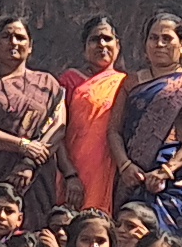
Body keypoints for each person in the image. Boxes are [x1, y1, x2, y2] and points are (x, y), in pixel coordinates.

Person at [0, 16, 68, 230]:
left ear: (30, 47)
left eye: (20, 37)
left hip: (35, 177)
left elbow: (58, 127)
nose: (13, 42)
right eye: (6, 37)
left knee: (33, 235)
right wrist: (22, 145)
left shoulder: (48, 84)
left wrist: (29, 163)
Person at [116, 14, 182, 234]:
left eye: (167, 38)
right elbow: (114, 131)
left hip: (176, 179)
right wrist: (125, 166)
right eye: (153, 38)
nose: (159, 44)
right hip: (134, 176)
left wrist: (168, 170)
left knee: (169, 242)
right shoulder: (131, 83)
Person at [55, 16, 128, 221]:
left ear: (117, 45)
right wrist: (70, 174)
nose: (102, 44)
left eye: (107, 39)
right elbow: (56, 130)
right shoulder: (70, 80)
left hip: (113, 173)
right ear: (85, 47)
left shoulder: (126, 84)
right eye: (95, 39)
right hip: (75, 171)